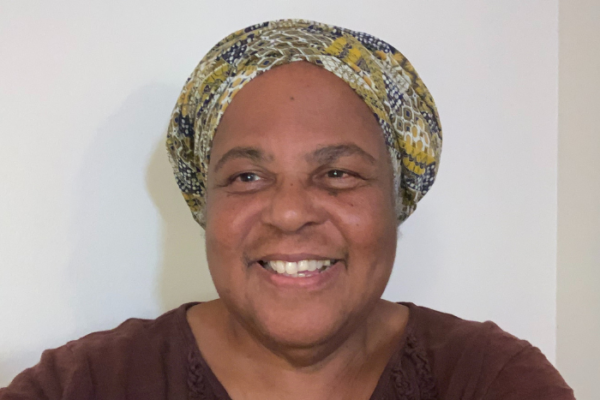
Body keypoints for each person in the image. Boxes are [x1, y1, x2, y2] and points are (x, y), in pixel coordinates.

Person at [0, 19, 574, 400]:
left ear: (395, 200)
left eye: (338, 173)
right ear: (205, 203)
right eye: (247, 177)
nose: (291, 213)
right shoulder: (85, 386)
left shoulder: (491, 381)